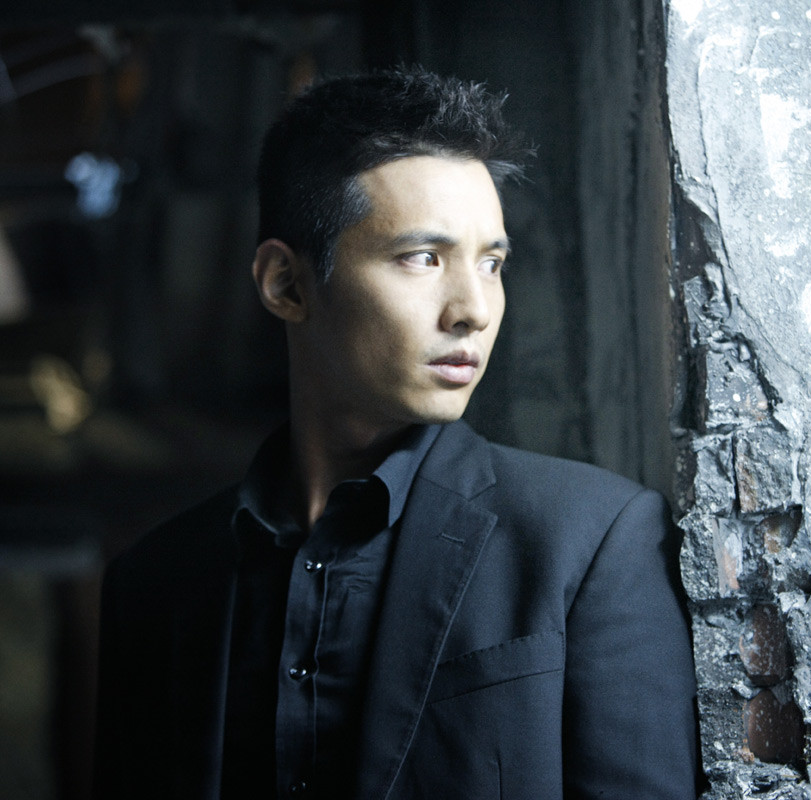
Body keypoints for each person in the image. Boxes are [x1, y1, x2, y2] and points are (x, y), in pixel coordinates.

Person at [94, 68, 699, 799]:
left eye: (492, 263)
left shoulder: (592, 541)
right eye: (423, 258)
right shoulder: (155, 582)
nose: (474, 309)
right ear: (286, 283)